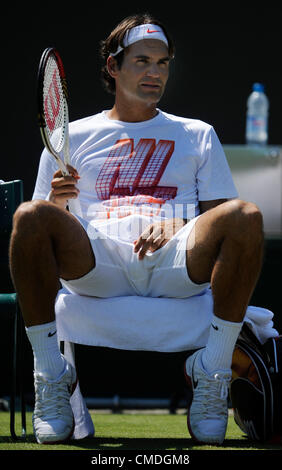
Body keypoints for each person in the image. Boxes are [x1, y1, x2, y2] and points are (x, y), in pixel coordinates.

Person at [9, 13, 264, 445]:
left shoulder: (198, 133)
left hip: (175, 262)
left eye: (162, 63)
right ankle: (52, 375)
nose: (154, 72)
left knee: (247, 216)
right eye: (143, 61)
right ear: (113, 67)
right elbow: (46, 226)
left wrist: (180, 221)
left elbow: (224, 219)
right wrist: (56, 202)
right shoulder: (70, 135)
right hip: (98, 263)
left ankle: (213, 372)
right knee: (29, 217)